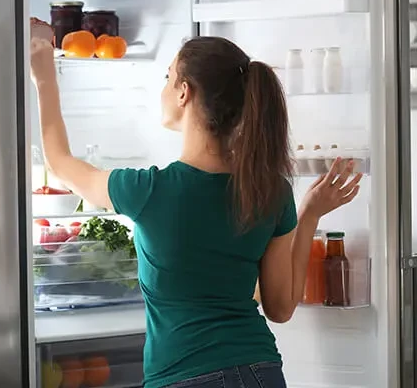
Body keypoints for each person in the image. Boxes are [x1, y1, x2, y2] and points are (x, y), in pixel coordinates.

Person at [29, 35, 362, 388]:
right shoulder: (271, 189)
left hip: (184, 377)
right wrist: (308, 215)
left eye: (167, 78)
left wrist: (44, 78)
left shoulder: (148, 190)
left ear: (184, 92)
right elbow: (280, 308)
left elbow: (61, 163)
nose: (163, 89)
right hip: (260, 371)